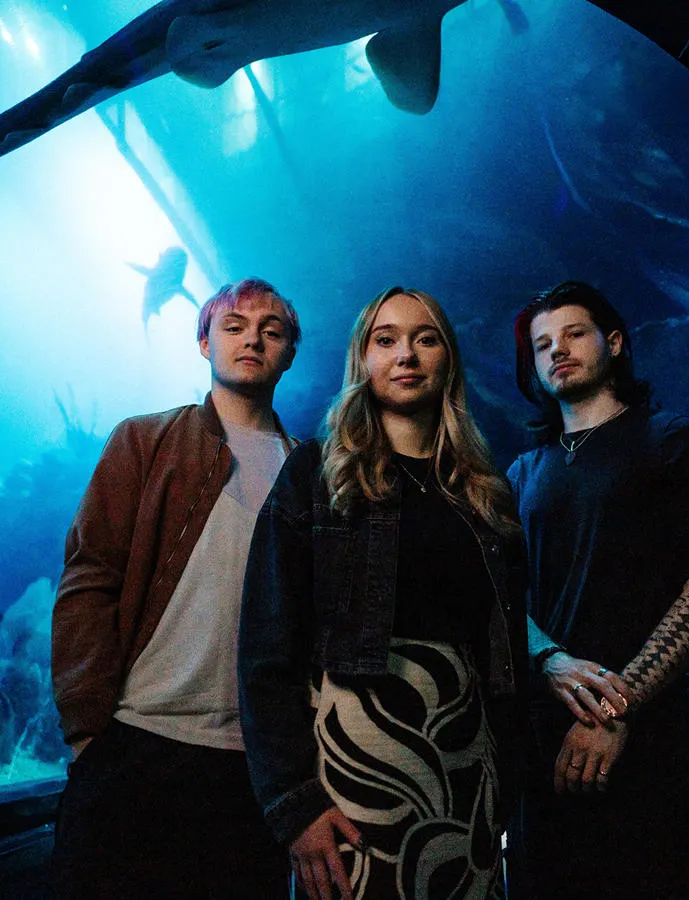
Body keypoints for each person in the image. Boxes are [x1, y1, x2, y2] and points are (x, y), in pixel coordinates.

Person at [239, 286, 529, 900]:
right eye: (386, 339)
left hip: (467, 757)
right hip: (354, 757)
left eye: (426, 338)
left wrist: (507, 778)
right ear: (361, 360)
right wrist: (294, 803)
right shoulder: (316, 474)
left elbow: (506, 651)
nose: (407, 354)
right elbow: (265, 649)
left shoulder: (485, 491)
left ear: (448, 359)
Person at [50, 277, 300, 898]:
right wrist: (86, 728)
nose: (253, 339)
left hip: (255, 765)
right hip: (136, 743)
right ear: (203, 342)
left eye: (272, 330)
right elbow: (90, 575)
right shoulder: (144, 439)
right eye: (234, 326)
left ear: (290, 352)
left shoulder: (311, 472)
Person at [506, 281, 689, 899]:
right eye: (542, 344)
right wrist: (545, 659)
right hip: (541, 752)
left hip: (649, 747)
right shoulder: (521, 473)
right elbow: (500, 597)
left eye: (573, 334)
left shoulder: (674, 442)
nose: (557, 351)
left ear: (613, 342)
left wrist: (613, 708)